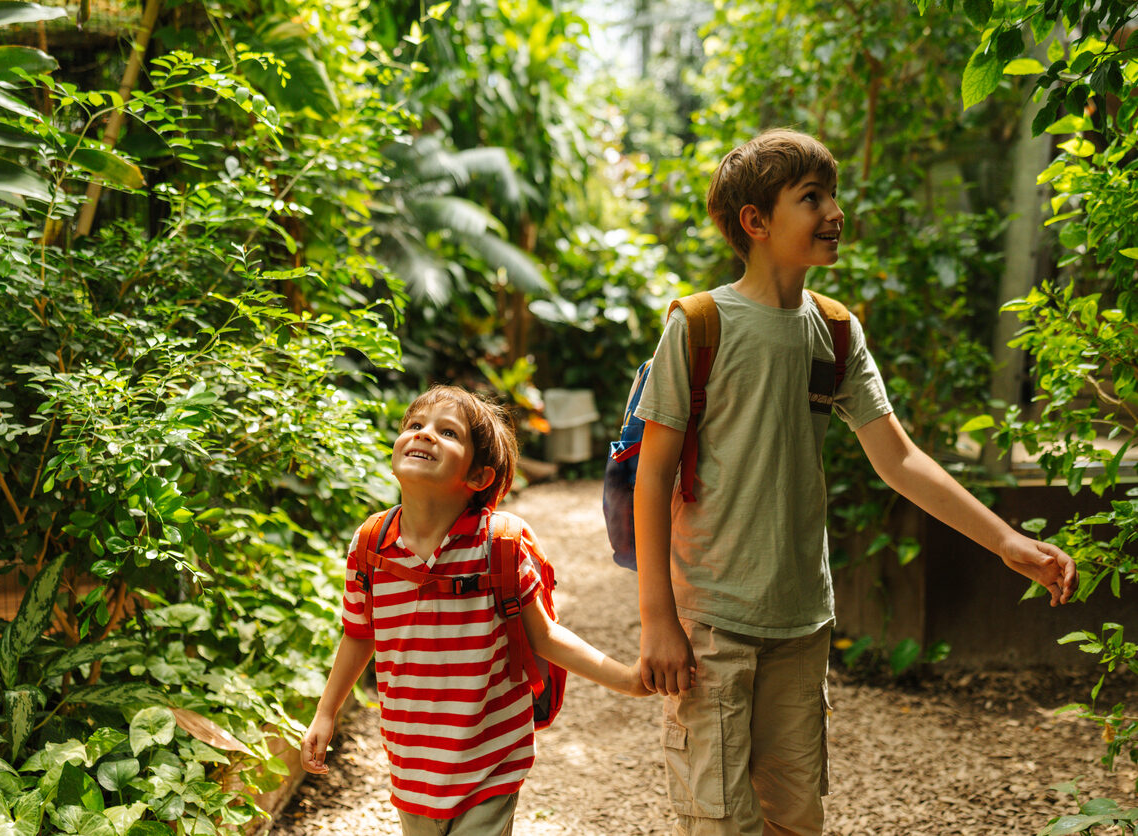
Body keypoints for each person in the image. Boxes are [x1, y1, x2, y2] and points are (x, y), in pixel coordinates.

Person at [632, 128, 1078, 836]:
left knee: (794, 818)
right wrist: (658, 619)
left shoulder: (835, 332)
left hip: (802, 622)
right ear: (756, 221)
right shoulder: (699, 326)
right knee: (716, 820)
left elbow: (898, 459)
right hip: (712, 619)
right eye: (812, 198)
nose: (835, 211)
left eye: (832, 194)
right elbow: (652, 476)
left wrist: (1006, 542)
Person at [303, 384, 651, 836]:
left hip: (491, 756)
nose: (424, 435)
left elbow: (544, 636)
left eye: (447, 432)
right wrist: (326, 713)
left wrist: (627, 679)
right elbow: (359, 634)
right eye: (415, 425)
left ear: (479, 477)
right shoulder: (370, 545)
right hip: (411, 762)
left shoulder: (499, 546)